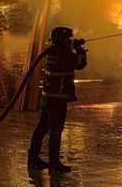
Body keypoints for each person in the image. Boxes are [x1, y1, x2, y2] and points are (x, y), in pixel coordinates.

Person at [28, 26, 87, 173]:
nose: (70, 41)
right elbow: (80, 64)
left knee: (42, 127)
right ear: (62, 40)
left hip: (48, 97)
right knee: (56, 130)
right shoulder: (65, 55)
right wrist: (80, 50)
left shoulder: (51, 52)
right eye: (68, 39)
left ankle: (33, 159)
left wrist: (74, 48)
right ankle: (54, 163)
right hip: (58, 99)